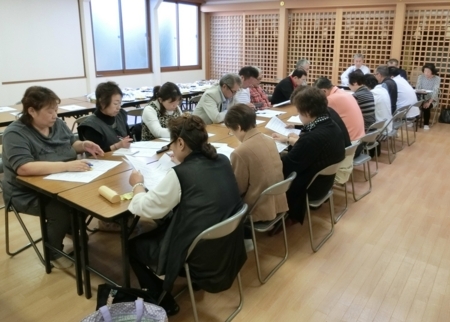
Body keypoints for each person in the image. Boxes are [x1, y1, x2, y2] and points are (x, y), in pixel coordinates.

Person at [127, 114, 243, 315]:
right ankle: (192, 282)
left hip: (196, 251)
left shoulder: (180, 175)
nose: (170, 148)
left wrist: (137, 184)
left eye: (171, 144)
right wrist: (182, 166)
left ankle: (163, 299)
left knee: (131, 246)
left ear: (180, 143)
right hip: (225, 246)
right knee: (166, 219)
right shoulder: (222, 160)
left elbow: (145, 208)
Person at [1, 86, 104, 269]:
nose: (55, 115)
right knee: (62, 208)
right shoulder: (15, 133)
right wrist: (66, 166)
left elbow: (72, 143)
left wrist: (84, 145)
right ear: (31, 111)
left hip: (61, 182)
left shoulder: (56, 124)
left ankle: (69, 226)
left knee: (90, 196)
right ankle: (53, 249)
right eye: (50, 111)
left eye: (56, 110)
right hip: (26, 192)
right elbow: (24, 168)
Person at [273, 87, 345, 224]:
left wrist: (270, 154)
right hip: (324, 183)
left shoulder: (312, 138)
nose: (299, 116)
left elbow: (286, 167)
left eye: (299, 112)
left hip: (309, 187)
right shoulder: (330, 124)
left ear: (307, 112)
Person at [224, 104, 288, 223]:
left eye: (231, 131)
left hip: (257, 206)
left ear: (238, 127)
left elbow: (238, 189)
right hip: (277, 199)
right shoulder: (269, 140)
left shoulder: (240, 152)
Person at [78, 81, 132, 152]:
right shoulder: (90, 126)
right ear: (102, 103)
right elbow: (98, 152)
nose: (119, 107)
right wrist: (117, 146)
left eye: (120, 103)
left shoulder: (121, 115)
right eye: (115, 104)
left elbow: (129, 138)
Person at [314, 77, 365, 146]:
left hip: (350, 145)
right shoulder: (343, 92)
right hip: (360, 141)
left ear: (324, 91)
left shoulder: (331, 99)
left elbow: (316, 118)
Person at [416, 63, 441, 130]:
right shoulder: (420, 77)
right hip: (421, 97)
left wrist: (429, 102)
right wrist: (422, 100)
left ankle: (426, 124)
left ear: (432, 71)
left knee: (426, 107)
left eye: (428, 71)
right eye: (425, 71)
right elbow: (418, 88)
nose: (426, 73)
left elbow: (435, 91)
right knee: (414, 104)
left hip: (432, 98)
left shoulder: (437, 78)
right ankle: (412, 120)